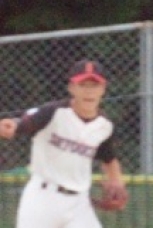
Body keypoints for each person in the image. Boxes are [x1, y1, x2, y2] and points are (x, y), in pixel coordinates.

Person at [0, 59, 128, 228]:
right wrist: (12, 125)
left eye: (94, 85)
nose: (89, 91)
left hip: (80, 203)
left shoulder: (104, 126)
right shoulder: (53, 112)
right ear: (71, 88)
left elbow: (109, 158)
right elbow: (24, 123)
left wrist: (116, 182)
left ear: (103, 89)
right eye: (82, 85)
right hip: (42, 199)